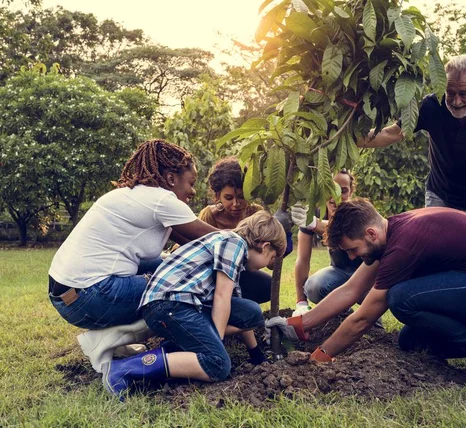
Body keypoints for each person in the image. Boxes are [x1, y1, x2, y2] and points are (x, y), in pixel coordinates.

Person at [267, 199, 466, 383]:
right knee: (410, 341)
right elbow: (351, 289)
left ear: (370, 234)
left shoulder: (403, 245)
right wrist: (297, 325)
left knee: (402, 298)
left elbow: (362, 319)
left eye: (353, 250)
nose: (352, 258)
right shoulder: (388, 232)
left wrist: (320, 358)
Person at [48, 139, 216, 373]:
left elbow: (191, 244)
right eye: (191, 182)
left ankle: (117, 341)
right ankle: (106, 341)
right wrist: (256, 233)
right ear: (171, 179)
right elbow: (219, 241)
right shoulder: (162, 200)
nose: (193, 190)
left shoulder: (132, 194)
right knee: (178, 288)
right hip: (90, 296)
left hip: (66, 293)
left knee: (167, 266)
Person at [102, 211, 286, 400]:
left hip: (181, 305)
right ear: (265, 246)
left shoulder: (232, 252)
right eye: (272, 258)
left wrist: (255, 353)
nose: (268, 265)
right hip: (169, 304)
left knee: (251, 312)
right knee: (217, 364)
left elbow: (233, 306)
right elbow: (222, 298)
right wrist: (216, 342)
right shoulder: (234, 243)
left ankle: (175, 349)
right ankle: (123, 369)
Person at [359, 54, 466, 241]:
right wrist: (347, 139)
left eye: (464, 94)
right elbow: (391, 134)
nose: (456, 102)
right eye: (450, 93)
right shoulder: (430, 106)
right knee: (432, 248)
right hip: (441, 193)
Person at [193, 157, 292, 304]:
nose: (236, 204)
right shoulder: (209, 215)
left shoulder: (256, 214)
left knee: (267, 286)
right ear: (218, 196)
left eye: (241, 196)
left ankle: (239, 306)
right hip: (212, 275)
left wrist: (286, 236)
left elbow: (271, 264)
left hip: (243, 275)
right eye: (228, 198)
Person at [290, 169, 362, 316]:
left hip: (365, 274)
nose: (335, 196)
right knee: (313, 287)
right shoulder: (315, 214)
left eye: (343, 191)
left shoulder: (358, 210)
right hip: (338, 271)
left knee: (371, 320)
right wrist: (301, 302)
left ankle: (372, 319)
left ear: (351, 191)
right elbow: (302, 259)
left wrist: (314, 224)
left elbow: (343, 228)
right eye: (330, 189)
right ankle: (342, 312)